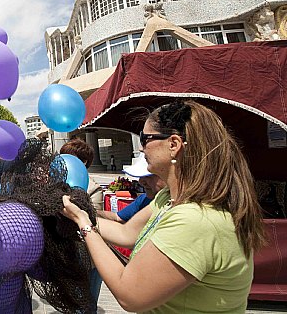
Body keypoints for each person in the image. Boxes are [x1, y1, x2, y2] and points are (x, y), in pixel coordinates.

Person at [62, 100, 265, 313]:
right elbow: (126, 233)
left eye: (145, 138)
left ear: (174, 144)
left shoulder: (196, 221)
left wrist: (84, 223)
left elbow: (129, 295)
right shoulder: (169, 197)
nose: (141, 147)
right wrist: (76, 212)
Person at [59, 138, 104, 312]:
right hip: (65, 256)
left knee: (86, 304)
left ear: (84, 162)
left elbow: (93, 221)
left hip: (88, 258)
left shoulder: (93, 188)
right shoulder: (57, 186)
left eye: (69, 159)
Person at [97, 155, 166, 223]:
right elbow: (118, 217)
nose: (141, 182)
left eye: (148, 176)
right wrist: (90, 212)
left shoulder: (174, 208)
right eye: (140, 176)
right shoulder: (144, 200)